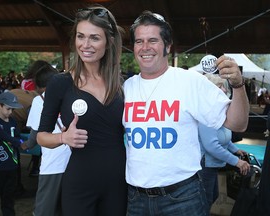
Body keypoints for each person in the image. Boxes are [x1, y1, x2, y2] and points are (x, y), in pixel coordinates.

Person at [122, 11, 249, 216]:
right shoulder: (126, 88)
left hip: (182, 199)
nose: (145, 47)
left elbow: (238, 124)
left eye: (153, 40)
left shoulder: (189, 81)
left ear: (168, 45)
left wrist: (238, 84)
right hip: (136, 199)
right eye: (139, 41)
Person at [37, 6, 127, 216]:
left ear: (109, 41)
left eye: (94, 38)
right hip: (80, 183)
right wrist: (63, 137)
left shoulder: (122, 85)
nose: (85, 45)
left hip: (119, 183)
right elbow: (41, 137)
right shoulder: (60, 83)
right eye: (80, 36)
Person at [21, 64, 71, 216]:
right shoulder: (71, 95)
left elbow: (35, 134)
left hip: (52, 165)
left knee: (44, 210)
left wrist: (25, 145)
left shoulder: (39, 101)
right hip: (73, 162)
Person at [198, 73, 250, 212]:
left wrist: (235, 149)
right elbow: (211, 146)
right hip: (205, 165)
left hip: (212, 165)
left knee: (212, 197)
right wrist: (236, 161)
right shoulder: (206, 113)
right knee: (205, 202)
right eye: (221, 86)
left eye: (225, 86)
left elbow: (223, 136)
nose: (225, 90)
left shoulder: (217, 111)